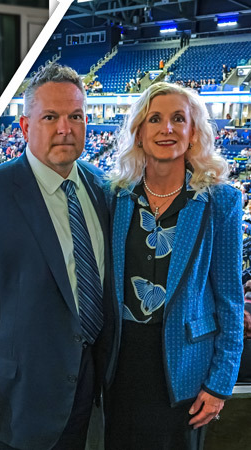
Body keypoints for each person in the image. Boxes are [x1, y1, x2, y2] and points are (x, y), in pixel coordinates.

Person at [0, 62, 112, 449]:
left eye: (76, 117)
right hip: (9, 403)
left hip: (85, 392)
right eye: (50, 117)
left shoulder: (101, 188)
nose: (65, 129)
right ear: (24, 127)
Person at [105, 81, 244, 449]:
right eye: (155, 119)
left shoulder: (221, 202)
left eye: (178, 119)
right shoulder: (116, 197)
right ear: (138, 133)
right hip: (121, 364)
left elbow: (230, 299)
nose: (167, 128)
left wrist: (219, 384)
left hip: (187, 368)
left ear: (193, 131)